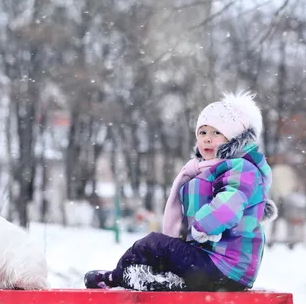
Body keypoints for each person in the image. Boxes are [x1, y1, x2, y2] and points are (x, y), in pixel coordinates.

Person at [84, 91, 277, 292]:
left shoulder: (241, 168)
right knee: (160, 251)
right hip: (212, 263)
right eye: (202, 133)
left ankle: (115, 278)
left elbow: (227, 207)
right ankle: (152, 279)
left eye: (216, 133)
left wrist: (200, 228)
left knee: (153, 245)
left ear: (234, 138)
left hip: (226, 267)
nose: (207, 139)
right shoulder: (204, 170)